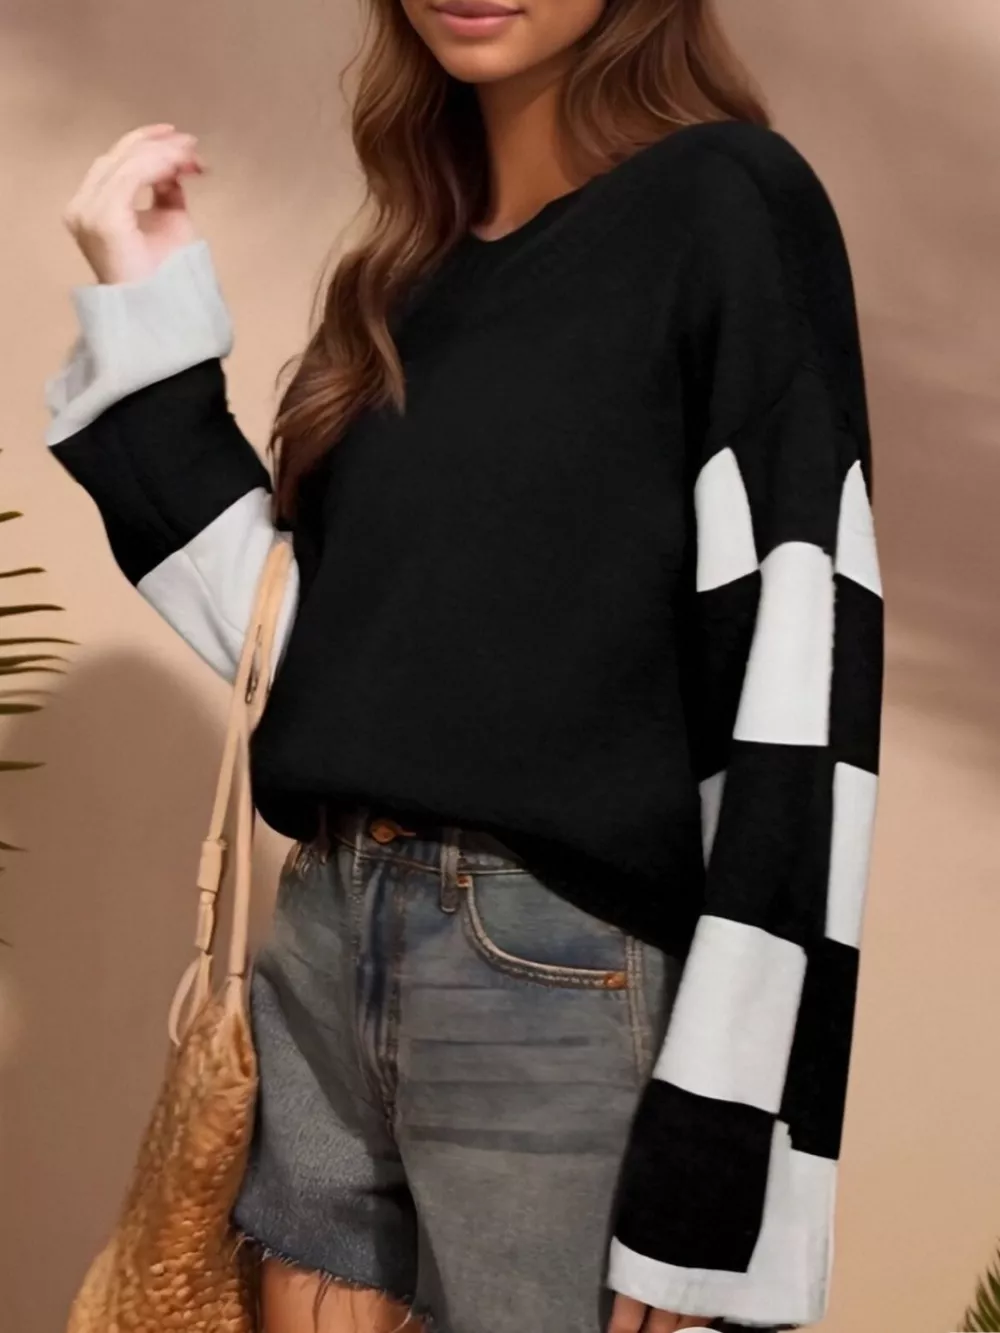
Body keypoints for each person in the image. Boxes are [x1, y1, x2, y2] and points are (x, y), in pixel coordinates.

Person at [44, 1, 884, 1330]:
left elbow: (800, 676)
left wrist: (717, 1170)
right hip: (325, 937)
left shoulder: (726, 204)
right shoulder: (412, 274)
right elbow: (329, 657)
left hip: (549, 969)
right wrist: (149, 315)